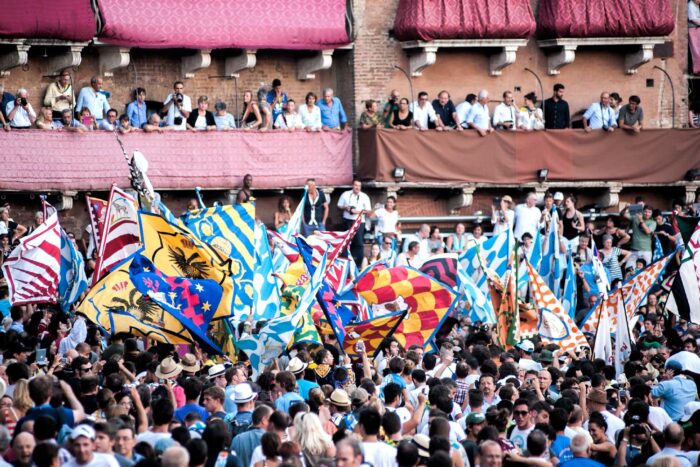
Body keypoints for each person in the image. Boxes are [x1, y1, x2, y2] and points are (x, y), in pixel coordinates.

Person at [337, 179, 372, 265]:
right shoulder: (345, 194)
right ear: (353, 185)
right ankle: (344, 261)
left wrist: (357, 211)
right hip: (347, 220)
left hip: (360, 221)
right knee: (346, 241)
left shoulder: (364, 196)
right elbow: (339, 205)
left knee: (359, 243)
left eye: (359, 186)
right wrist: (347, 208)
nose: (357, 187)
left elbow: (368, 210)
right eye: (356, 185)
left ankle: (358, 263)